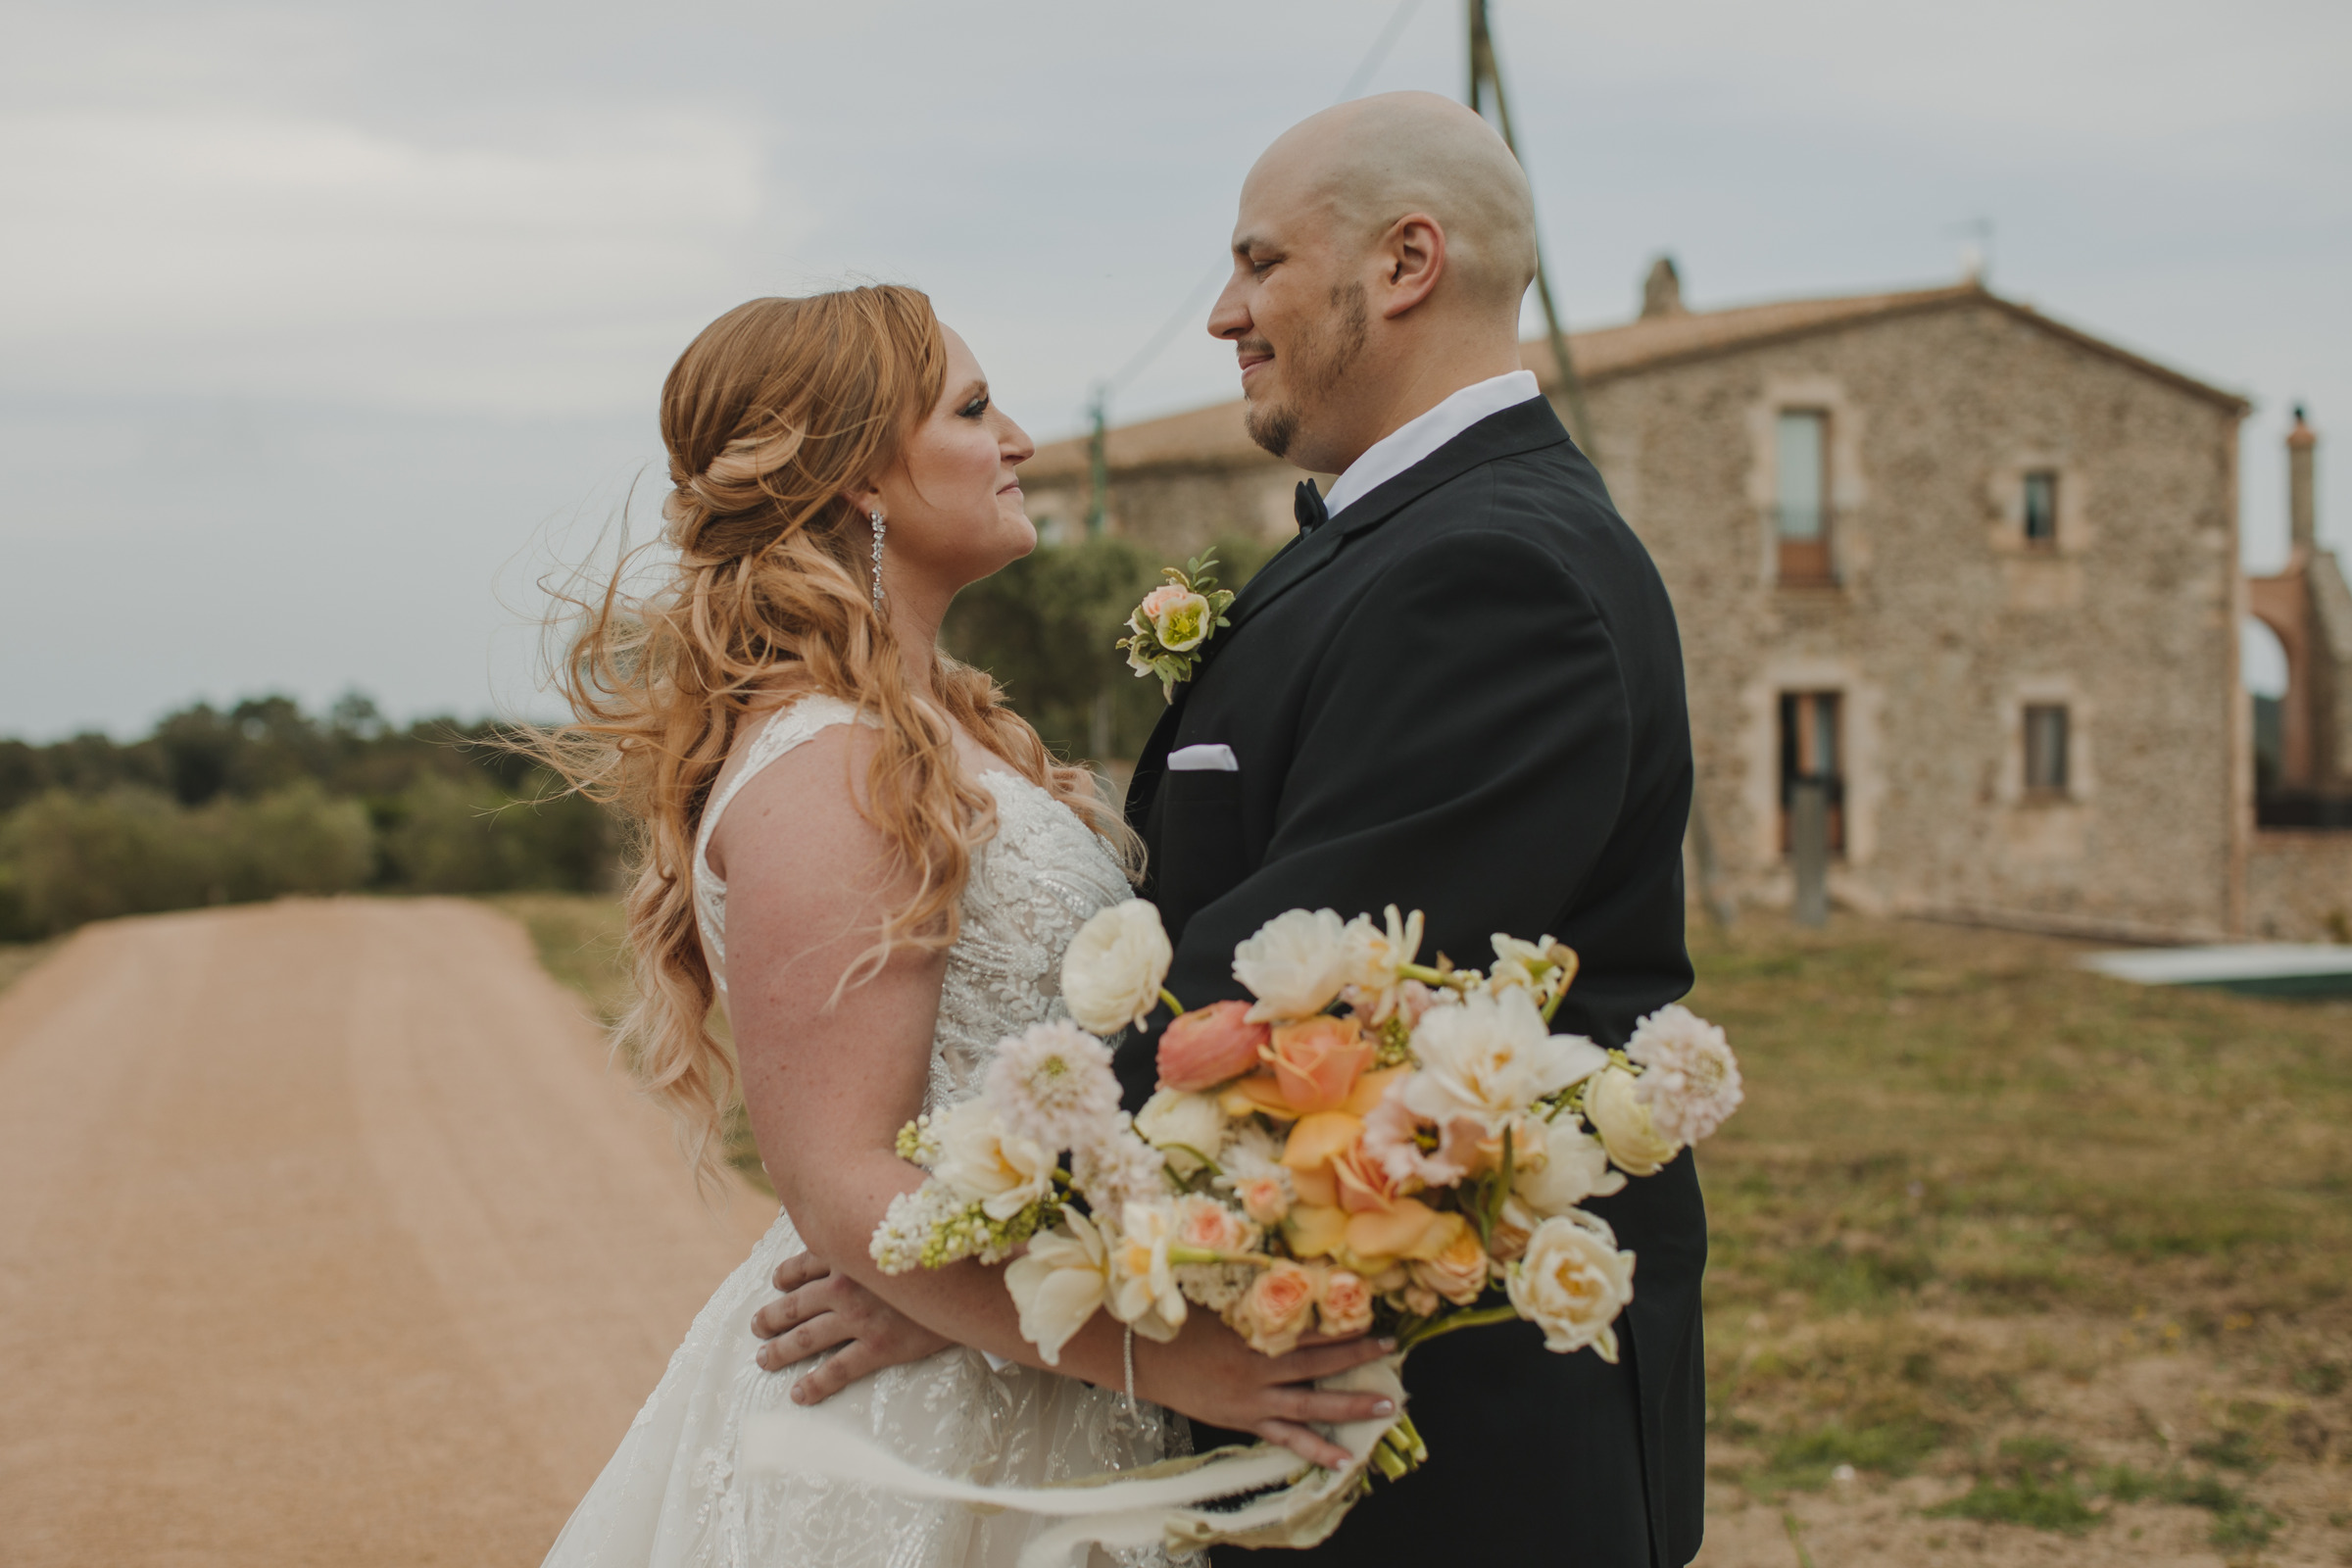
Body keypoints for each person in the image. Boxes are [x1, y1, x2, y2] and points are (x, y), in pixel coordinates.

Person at [753, 93, 1707, 1567]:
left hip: (1451, 1432)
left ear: (1404, 265)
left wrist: (979, 1254)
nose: (1222, 314)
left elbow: (1286, 1005)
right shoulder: (1398, 548)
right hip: (1285, 1374)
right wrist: (982, 1267)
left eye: (1260, 264)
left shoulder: (1493, 575)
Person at [534, 285, 1393, 1568]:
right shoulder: (833, 769)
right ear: (859, 477)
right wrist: (1173, 1359)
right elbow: (838, 1184)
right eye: (974, 409)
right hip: (921, 1450)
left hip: (1013, 1362)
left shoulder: (948, 737)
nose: (1021, 441)